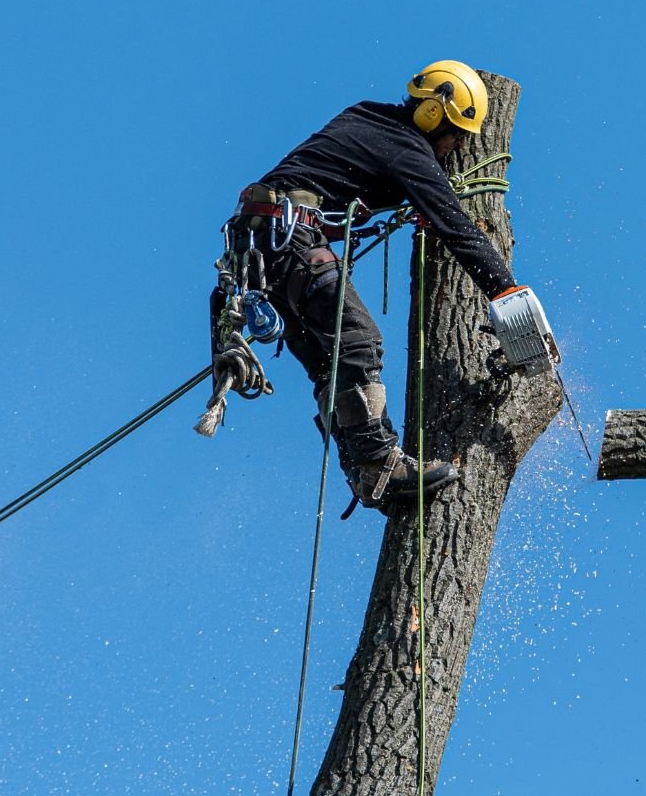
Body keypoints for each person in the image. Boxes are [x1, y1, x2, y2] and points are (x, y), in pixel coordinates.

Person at [207, 60, 539, 511]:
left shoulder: (369, 117)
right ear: (432, 116)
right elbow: (457, 228)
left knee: (333, 365)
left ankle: (367, 475)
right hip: (288, 240)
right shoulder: (406, 146)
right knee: (359, 342)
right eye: (457, 135)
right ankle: (381, 462)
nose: (455, 147)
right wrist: (507, 294)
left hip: (262, 247)